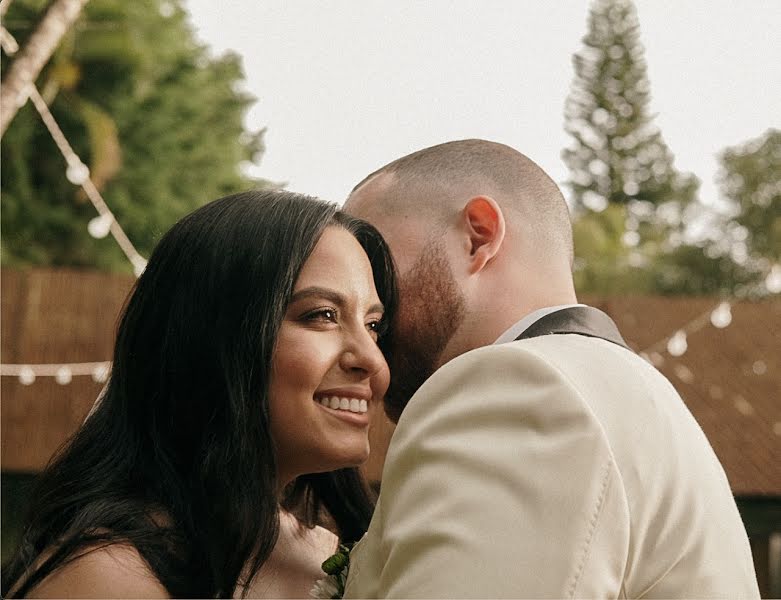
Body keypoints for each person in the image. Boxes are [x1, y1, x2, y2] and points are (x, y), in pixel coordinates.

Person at [342, 139, 760, 598]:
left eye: (375, 267)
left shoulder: (511, 390)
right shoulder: (630, 390)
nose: (369, 312)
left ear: (478, 236)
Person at [2, 190, 397, 598]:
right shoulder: (107, 578)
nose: (373, 361)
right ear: (210, 338)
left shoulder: (343, 559)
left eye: (372, 326)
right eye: (322, 315)